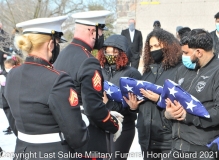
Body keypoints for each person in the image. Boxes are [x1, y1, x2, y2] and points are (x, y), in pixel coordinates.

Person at [2, 16, 89, 159]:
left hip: (22, 152)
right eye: (57, 43)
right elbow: (76, 135)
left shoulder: (12, 75)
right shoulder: (58, 79)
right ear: (50, 45)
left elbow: (8, 111)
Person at [54, 11, 123, 158]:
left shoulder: (62, 54)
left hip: (67, 132)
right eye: (101, 32)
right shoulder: (88, 60)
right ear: (93, 32)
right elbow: (93, 107)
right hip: (89, 136)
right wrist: (113, 123)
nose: (101, 36)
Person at [165, 29, 219, 160]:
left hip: (202, 151)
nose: (183, 56)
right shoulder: (182, 70)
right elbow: (170, 100)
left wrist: (188, 116)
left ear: (198, 52)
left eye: (186, 53)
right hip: (176, 148)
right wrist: (168, 114)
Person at [124, 29, 182, 160]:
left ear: (168, 45)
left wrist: (159, 99)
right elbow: (144, 103)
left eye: (157, 45)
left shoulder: (179, 70)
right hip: (146, 136)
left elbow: (181, 101)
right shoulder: (147, 72)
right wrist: (134, 107)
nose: (153, 49)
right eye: (150, 46)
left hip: (167, 138)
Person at [97, 34, 142, 160]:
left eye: (114, 52)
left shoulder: (132, 74)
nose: (110, 55)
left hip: (123, 127)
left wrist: (109, 103)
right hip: (102, 126)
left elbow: (133, 105)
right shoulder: (99, 72)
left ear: (122, 53)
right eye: (107, 51)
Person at [1, 55, 23, 135]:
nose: (6, 69)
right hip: (7, 105)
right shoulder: (5, 75)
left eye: (7, 67)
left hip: (14, 105)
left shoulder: (17, 74)